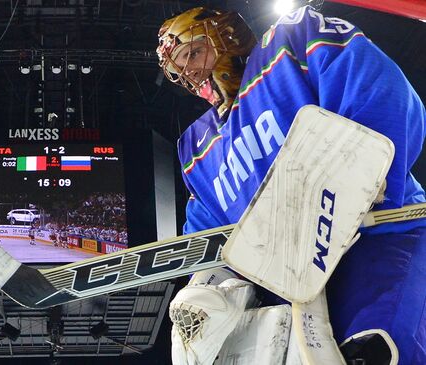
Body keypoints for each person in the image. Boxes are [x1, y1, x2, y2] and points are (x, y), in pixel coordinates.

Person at [157, 5, 426, 364]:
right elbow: (209, 234)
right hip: (289, 284)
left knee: (376, 350)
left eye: (192, 53)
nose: (191, 73)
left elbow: (379, 89)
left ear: (226, 35)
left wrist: (364, 182)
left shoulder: (292, 37)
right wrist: (202, 287)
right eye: (180, 70)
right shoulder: (196, 146)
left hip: (375, 237)